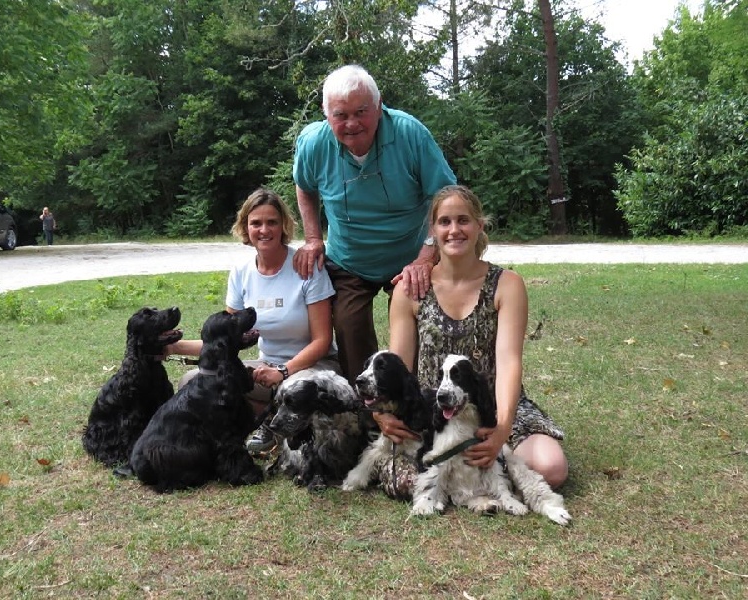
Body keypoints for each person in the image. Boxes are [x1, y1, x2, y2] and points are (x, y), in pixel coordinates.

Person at [376, 185, 568, 494]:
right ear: (433, 231)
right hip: (433, 414)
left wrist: (502, 430)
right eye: (445, 222)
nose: (454, 230)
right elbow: (397, 368)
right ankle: (474, 474)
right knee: (404, 484)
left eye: (463, 220)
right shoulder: (410, 289)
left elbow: (508, 361)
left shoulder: (507, 284)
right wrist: (383, 413)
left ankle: (483, 464)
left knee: (551, 469)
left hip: (493, 408)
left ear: (480, 226)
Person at [292, 64, 456, 383]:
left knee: (421, 324)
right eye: (341, 115)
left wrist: (426, 257)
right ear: (326, 115)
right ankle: (367, 413)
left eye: (362, 111)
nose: (352, 123)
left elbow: (447, 195)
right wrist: (313, 238)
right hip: (350, 260)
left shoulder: (410, 133)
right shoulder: (313, 143)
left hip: (410, 257)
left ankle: (419, 398)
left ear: (379, 107)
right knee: (350, 327)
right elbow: (304, 186)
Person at [164, 188, 340, 453]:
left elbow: (322, 340)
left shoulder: (306, 266)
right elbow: (222, 341)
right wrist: (171, 346)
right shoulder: (241, 273)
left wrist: (283, 371)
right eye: (256, 223)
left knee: (294, 389)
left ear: (283, 226)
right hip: (264, 367)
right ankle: (260, 423)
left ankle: (279, 427)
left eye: (272, 222)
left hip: (312, 367)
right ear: (245, 228)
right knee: (192, 381)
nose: (264, 230)